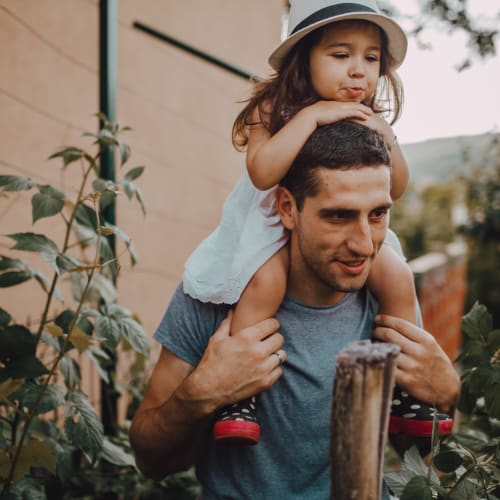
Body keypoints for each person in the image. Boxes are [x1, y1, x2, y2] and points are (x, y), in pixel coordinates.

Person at [129, 120, 461, 499]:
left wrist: (447, 393)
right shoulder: (217, 294)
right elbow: (151, 461)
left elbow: (414, 452)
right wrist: (203, 393)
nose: (365, 244)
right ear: (287, 208)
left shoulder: (387, 295)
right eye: (338, 216)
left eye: (377, 215)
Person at [181, 0, 451, 443]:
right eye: (341, 55)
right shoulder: (276, 107)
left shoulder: (369, 117)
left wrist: (389, 138)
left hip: (340, 227)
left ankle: (408, 389)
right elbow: (263, 172)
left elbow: (396, 186)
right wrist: (310, 118)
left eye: (370, 58)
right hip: (272, 222)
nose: (358, 71)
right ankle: (238, 394)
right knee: (264, 282)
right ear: (304, 58)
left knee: (398, 276)